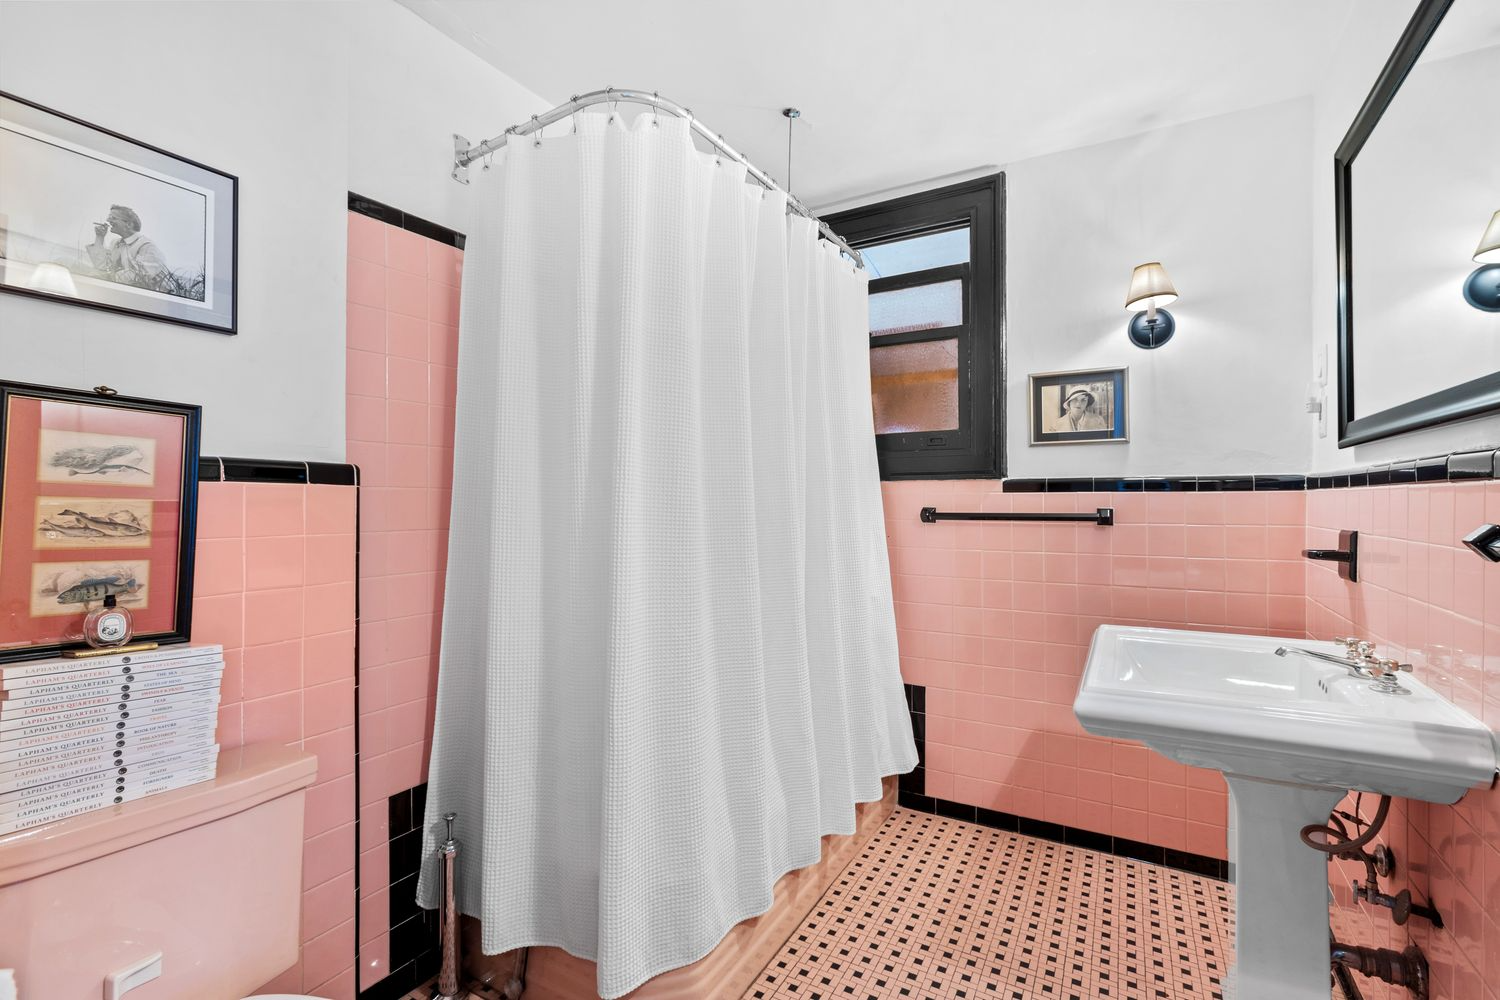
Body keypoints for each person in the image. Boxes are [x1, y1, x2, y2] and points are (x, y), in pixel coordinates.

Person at [85, 204, 169, 289]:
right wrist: (100, 237)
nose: (107, 220)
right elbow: (102, 267)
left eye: (113, 218)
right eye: (109, 217)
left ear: (128, 224)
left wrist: (105, 276)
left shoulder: (147, 247)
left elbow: (138, 278)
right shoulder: (115, 243)